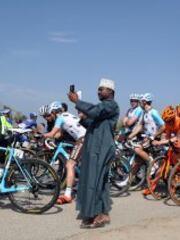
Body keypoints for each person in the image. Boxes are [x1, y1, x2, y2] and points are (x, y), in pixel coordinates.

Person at [68, 78, 119, 228]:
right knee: (98, 181)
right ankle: (102, 213)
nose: (98, 91)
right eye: (98, 89)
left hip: (101, 148)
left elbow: (95, 111)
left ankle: (95, 214)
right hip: (94, 147)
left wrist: (77, 102)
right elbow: (93, 122)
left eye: (102, 89)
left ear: (110, 92)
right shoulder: (103, 108)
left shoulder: (111, 106)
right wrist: (83, 118)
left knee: (94, 180)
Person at [43, 101, 86, 204]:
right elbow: (58, 135)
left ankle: (67, 194)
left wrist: (42, 135)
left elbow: (52, 133)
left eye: (50, 114)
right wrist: (50, 136)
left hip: (83, 139)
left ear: (54, 112)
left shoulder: (60, 118)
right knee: (81, 164)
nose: (50, 116)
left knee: (70, 164)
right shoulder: (67, 115)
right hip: (85, 137)